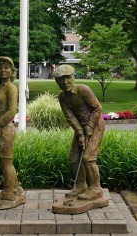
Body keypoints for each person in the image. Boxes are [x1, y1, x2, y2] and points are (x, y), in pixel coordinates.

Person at [53, 64, 105, 200]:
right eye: (60, 80)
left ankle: (96, 188)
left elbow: (97, 108)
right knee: (74, 158)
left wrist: (89, 127)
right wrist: (80, 133)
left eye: (67, 78)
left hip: (96, 125)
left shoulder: (83, 90)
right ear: (56, 82)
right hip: (81, 128)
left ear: (73, 77)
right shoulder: (62, 97)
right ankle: (81, 185)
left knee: (88, 157)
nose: (64, 83)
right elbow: (70, 117)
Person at [0, 56, 23, 201]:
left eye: (6, 67)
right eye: (0, 67)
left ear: (12, 71)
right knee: (3, 161)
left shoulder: (11, 88)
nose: (3, 70)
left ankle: (9, 192)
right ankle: (15, 187)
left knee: (6, 161)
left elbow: (11, 111)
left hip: (6, 129)